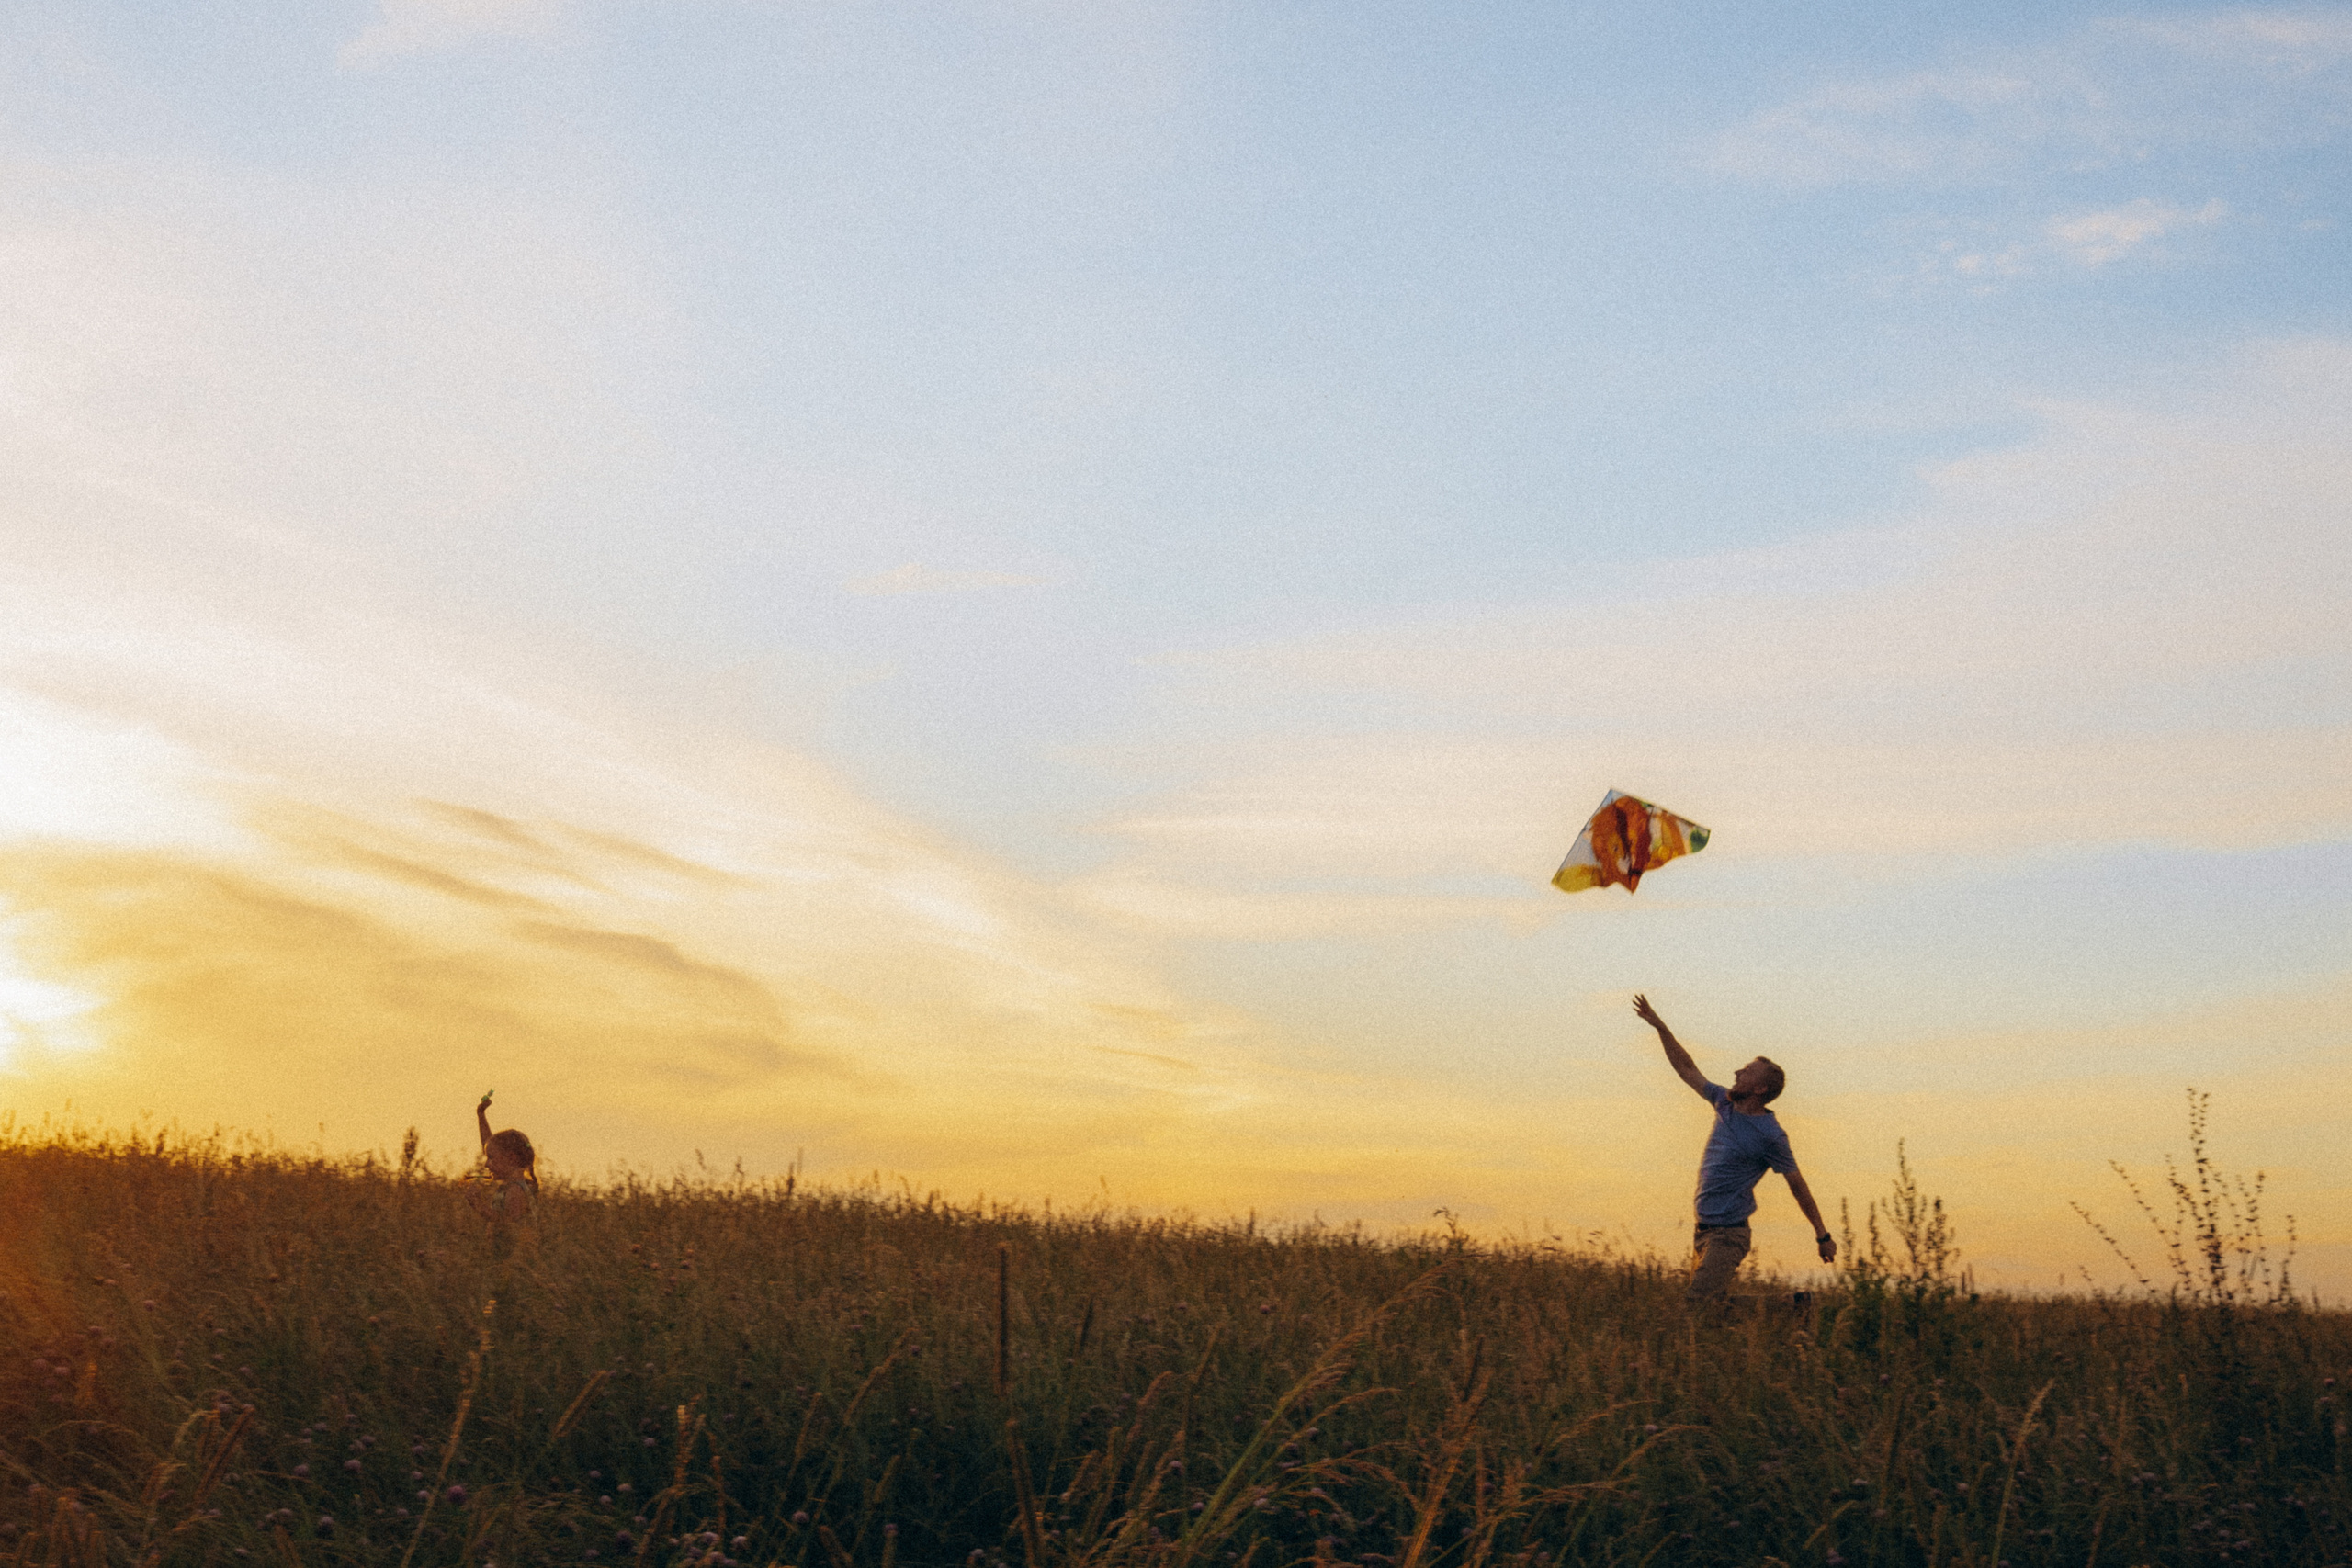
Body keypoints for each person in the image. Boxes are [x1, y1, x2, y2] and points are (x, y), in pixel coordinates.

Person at [1632, 993, 1834, 1302]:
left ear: (1760, 1088)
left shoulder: (1772, 1135)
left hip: (1730, 1234)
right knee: (1712, 1311)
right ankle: (1795, 1305)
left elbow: (1798, 1186)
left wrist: (1823, 1235)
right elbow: (1687, 1069)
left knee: (1697, 1306)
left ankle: (1793, 1307)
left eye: (1746, 1072)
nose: (1737, 1074)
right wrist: (1660, 1027)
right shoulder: (1723, 1103)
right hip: (1704, 1231)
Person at [464, 1090, 538, 1228]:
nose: (486, 1164)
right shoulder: (511, 1185)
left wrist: (479, 1206)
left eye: (491, 1158)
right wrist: (481, 1115)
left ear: (511, 1158)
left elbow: (510, 1226)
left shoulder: (515, 1191)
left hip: (516, 1250)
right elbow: (490, 1145)